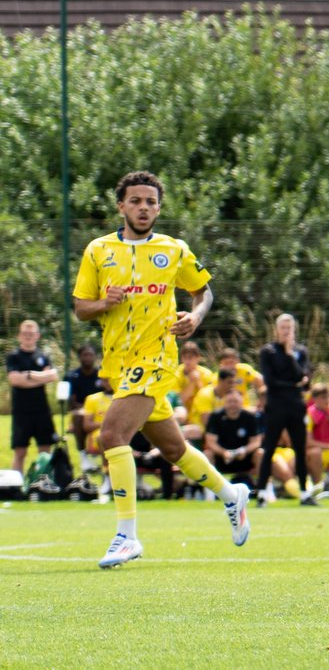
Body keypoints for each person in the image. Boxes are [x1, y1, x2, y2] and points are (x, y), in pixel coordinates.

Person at [73, 170, 250, 568]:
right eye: (135, 201)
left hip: (157, 358)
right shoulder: (98, 250)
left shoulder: (173, 250)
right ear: (121, 206)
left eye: (150, 202)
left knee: (112, 434)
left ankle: (126, 536)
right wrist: (104, 303)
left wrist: (196, 317)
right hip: (118, 362)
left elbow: (202, 290)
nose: (143, 207)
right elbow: (81, 306)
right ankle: (231, 495)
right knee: (173, 449)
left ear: (159, 208)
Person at [255, 313, 315, 506]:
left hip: (296, 407)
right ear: (277, 329)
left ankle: (305, 493)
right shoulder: (268, 351)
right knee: (269, 448)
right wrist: (294, 383)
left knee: (300, 448)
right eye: (283, 328)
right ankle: (262, 493)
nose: (286, 331)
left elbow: (305, 381)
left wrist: (290, 357)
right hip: (276, 407)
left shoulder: (300, 352)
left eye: (290, 328)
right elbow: (270, 381)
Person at [6, 320, 60, 475]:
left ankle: (45, 482)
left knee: (45, 449)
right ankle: (17, 484)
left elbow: (52, 376)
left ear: (37, 336)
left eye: (31, 334)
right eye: (24, 334)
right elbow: (14, 380)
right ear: (19, 336)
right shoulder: (14, 357)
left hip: (42, 410)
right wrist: (39, 377)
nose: (28, 337)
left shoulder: (43, 356)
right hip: (21, 411)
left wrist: (28, 375)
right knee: (20, 451)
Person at [204, 390, 263, 485]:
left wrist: (245, 450)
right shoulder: (215, 416)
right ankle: (209, 491)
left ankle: (263, 487)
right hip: (222, 457)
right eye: (229, 401)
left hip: (244, 456)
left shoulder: (250, 417)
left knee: (260, 453)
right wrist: (224, 453)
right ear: (224, 403)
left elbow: (256, 441)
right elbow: (210, 442)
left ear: (241, 402)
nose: (232, 404)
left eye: (235, 401)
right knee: (208, 454)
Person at [65, 343, 105, 472]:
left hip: (102, 409)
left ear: (95, 357)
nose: (88, 358)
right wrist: (89, 409)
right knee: (78, 416)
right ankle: (84, 456)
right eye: (85, 355)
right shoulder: (72, 376)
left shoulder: (102, 375)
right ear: (79, 357)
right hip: (83, 410)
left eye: (91, 355)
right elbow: (72, 402)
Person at [175, 341, 214, 414]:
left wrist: (198, 381)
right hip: (183, 412)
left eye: (190, 358)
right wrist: (192, 383)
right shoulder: (176, 373)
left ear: (198, 358)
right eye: (185, 357)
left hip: (201, 412)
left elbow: (207, 400)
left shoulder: (207, 374)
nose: (187, 361)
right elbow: (178, 401)